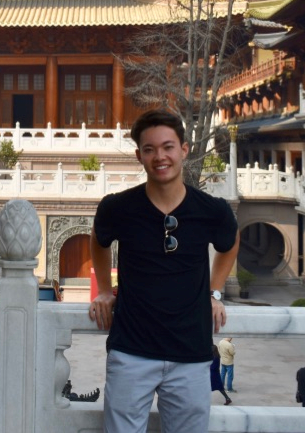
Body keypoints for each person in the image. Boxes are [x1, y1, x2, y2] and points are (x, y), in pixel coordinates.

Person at [88, 109, 239, 433]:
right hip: (131, 353)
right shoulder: (118, 207)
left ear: (184, 150)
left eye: (168, 147)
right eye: (150, 149)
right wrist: (104, 290)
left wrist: (214, 291)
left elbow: (230, 243)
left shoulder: (210, 210)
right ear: (139, 156)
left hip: (190, 355)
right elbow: (98, 240)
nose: (160, 157)